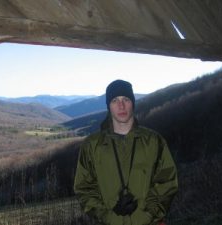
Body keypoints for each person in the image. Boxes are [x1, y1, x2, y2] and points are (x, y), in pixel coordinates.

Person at [74, 79, 178, 225]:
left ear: (133, 103)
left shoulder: (154, 141)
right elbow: (84, 188)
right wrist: (107, 216)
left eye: (126, 99)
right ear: (108, 106)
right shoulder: (92, 145)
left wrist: (147, 215)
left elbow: (167, 181)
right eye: (115, 100)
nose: (121, 105)